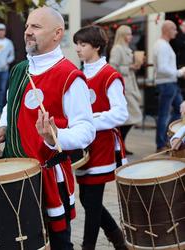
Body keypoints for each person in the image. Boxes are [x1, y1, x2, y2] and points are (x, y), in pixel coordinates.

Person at [0, 7, 95, 250]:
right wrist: (4, 128)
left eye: (36, 27)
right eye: (27, 26)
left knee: (57, 244)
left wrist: (55, 136)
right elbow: (10, 104)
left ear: (58, 33)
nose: (28, 32)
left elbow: (87, 130)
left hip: (47, 176)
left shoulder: (70, 75)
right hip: (13, 172)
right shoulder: (18, 70)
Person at [73, 25, 128, 250]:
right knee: (86, 199)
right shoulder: (80, 74)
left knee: (92, 202)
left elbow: (121, 113)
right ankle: (117, 238)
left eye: (82, 45)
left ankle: (89, 246)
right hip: (84, 145)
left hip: (102, 145)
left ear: (96, 46)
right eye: (77, 44)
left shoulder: (109, 75)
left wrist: (89, 120)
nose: (77, 48)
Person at [109, 25, 142, 155]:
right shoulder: (117, 49)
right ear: (122, 35)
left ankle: (120, 144)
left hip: (129, 84)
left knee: (130, 117)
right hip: (124, 86)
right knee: (131, 116)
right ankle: (119, 143)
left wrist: (134, 66)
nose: (131, 36)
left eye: (131, 34)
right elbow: (112, 67)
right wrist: (129, 68)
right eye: (128, 34)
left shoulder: (126, 48)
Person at [153, 20, 185, 152]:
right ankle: (161, 143)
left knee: (178, 110)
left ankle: (167, 138)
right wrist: (179, 72)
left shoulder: (163, 44)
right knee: (164, 114)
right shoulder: (162, 45)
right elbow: (162, 67)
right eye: (174, 29)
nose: (176, 32)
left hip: (169, 83)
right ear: (167, 30)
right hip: (166, 83)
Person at [0, 23, 15, 113]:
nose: (1, 32)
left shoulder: (8, 42)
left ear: (5, 31)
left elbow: (12, 56)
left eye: (2, 30)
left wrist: (7, 62)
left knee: (2, 90)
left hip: (4, 70)